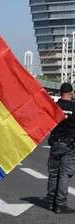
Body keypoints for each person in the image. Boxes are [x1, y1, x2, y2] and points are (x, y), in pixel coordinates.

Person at [46, 82, 75, 213]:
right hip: (69, 145)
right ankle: (60, 204)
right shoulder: (74, 107)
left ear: (60, 93)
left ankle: (50, 202)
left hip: (55, 143)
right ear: (71, 93)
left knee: (53, 173)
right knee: (64, 174)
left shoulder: (55, 106)